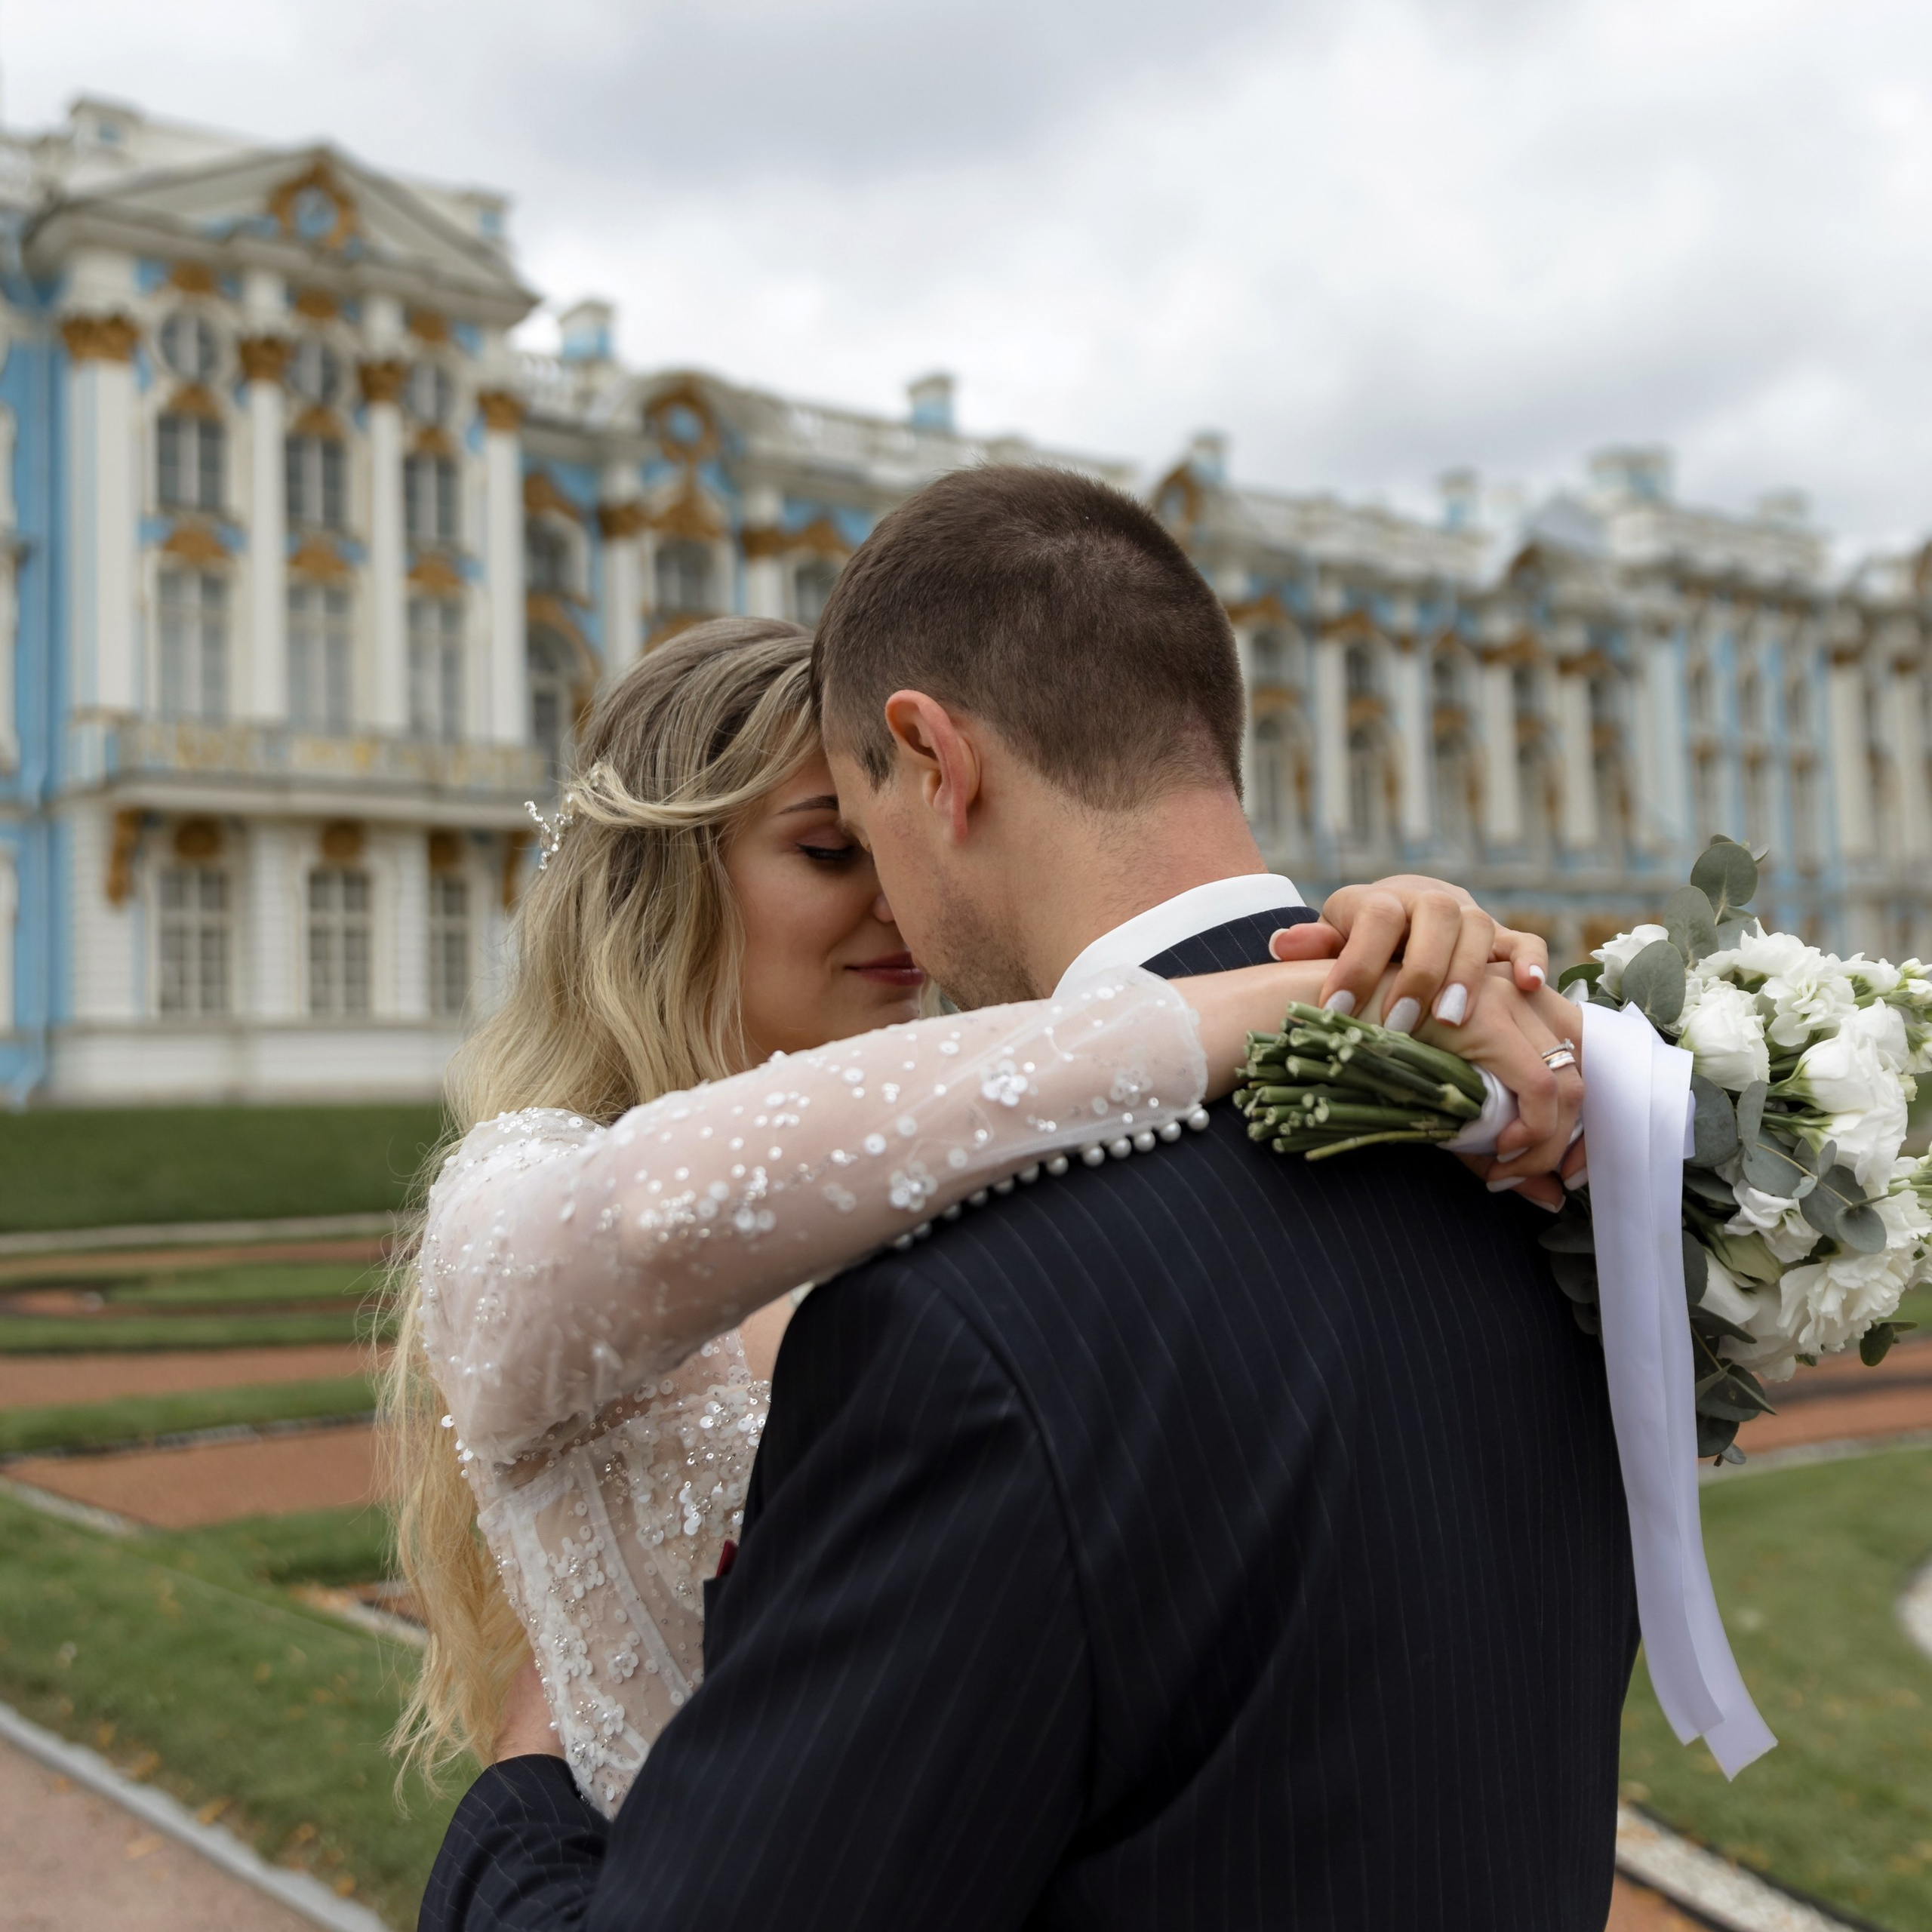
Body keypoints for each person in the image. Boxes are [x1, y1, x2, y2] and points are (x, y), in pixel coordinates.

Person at [419, 469, 1630, 1928]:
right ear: (658, 886)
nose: (891, 903)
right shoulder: (1507, 1170)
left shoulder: (983, 1279)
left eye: (871, 833)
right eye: (828, 852)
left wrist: (517, 1814)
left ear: (938, 764)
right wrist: (1308, 982)